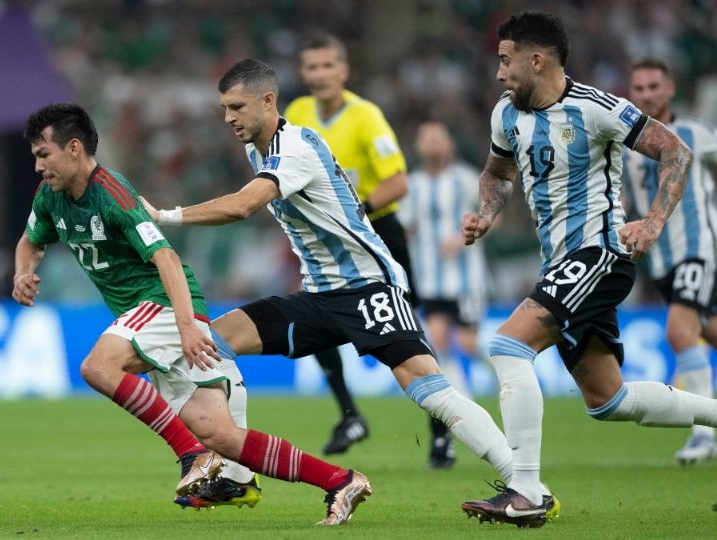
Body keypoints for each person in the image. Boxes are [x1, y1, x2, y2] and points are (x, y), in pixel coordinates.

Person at [145, 58, 547, 518]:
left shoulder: (293, 147)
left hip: (367, 287)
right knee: (212, 343)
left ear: (268, 101)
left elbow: (242, 206)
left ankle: (527, 487)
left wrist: (162, 215)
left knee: (428, 389)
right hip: (319, 296)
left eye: (236, 106)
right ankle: (236, 478)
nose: (227, 117)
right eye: (224, 108)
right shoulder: (258, 149)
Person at [13, 102, 375, 525]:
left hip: (164, 306)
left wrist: (186, 326)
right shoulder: (50, 197)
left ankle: (192, 457)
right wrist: (24, 271)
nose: (38, 167)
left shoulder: (113, 195)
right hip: (152, 319)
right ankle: (340, 480)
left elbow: (166, 258)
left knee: (98, 367)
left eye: (44, 155)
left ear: (74, 149)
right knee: (219, 434)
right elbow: (30, 241)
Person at [459, 11, 717, 527]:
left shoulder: (598, 109)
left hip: (599, 255)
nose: (499, 72)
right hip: (561, 263)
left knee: (507, 346)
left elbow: (676, 150)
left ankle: (527, 492)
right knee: (608, 400)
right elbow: (497, 172)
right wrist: (486, 213)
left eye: (506, 60)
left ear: (537, 60)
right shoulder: (505, 115)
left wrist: (653, 222)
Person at [284, 33, 450, 461]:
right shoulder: (297, 113)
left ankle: (440, 426)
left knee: (405, 330)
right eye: (312, 68)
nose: (320, 75)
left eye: (327, 66)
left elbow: (398, 181)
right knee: (312, 320)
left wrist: (356, 210)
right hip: (326, 242)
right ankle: (350, 415)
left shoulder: (366, 117)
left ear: (343, 70)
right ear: (303, 74)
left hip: (377, 236)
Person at [623, 57, 717, 464]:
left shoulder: (696, 133)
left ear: (670, 88)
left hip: (698, 249)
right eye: (639, 88)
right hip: (659, 260)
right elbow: (628, 194)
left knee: (680, 332)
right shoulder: (628, 143)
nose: (646, 94)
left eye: (653, 86)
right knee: (706, 331)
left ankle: (705, 435)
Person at [401, 120, 489, 453]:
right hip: (429, 280)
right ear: (419, 146)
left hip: (466, 280)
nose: (433, 144)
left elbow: (489, 218)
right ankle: (459, 407)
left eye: (439, 137)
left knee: (467, 345)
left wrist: (465, 236)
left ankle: (504, 368)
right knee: (436, 344)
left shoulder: (466, 180)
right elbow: (407, 227)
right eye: (427, 139)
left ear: (449, 144)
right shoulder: (412, 184)